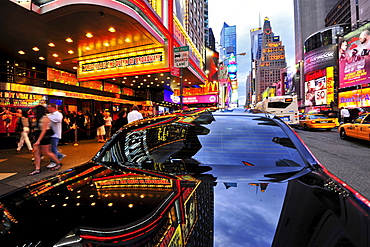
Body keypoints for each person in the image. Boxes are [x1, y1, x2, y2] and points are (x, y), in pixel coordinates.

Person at [29, 105, 62, 176]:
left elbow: (44, 130)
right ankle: (37, 169)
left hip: (44, 137)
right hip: (38, 136)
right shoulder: (38, 118)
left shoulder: (45, 118)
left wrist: (38, 140)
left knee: (47, 152)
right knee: (36, 152)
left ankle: (58, 163)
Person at [46, 103, 66, 169]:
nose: (48, 109)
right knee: (50, 148)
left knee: (53, 148)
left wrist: (48, 119)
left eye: (49, 107)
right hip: (48, 133)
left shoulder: (59, 114)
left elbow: (57, 120)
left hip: (55, 133)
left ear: (53, 107)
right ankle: (59, 155)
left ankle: (54, 161)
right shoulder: (48, 115)